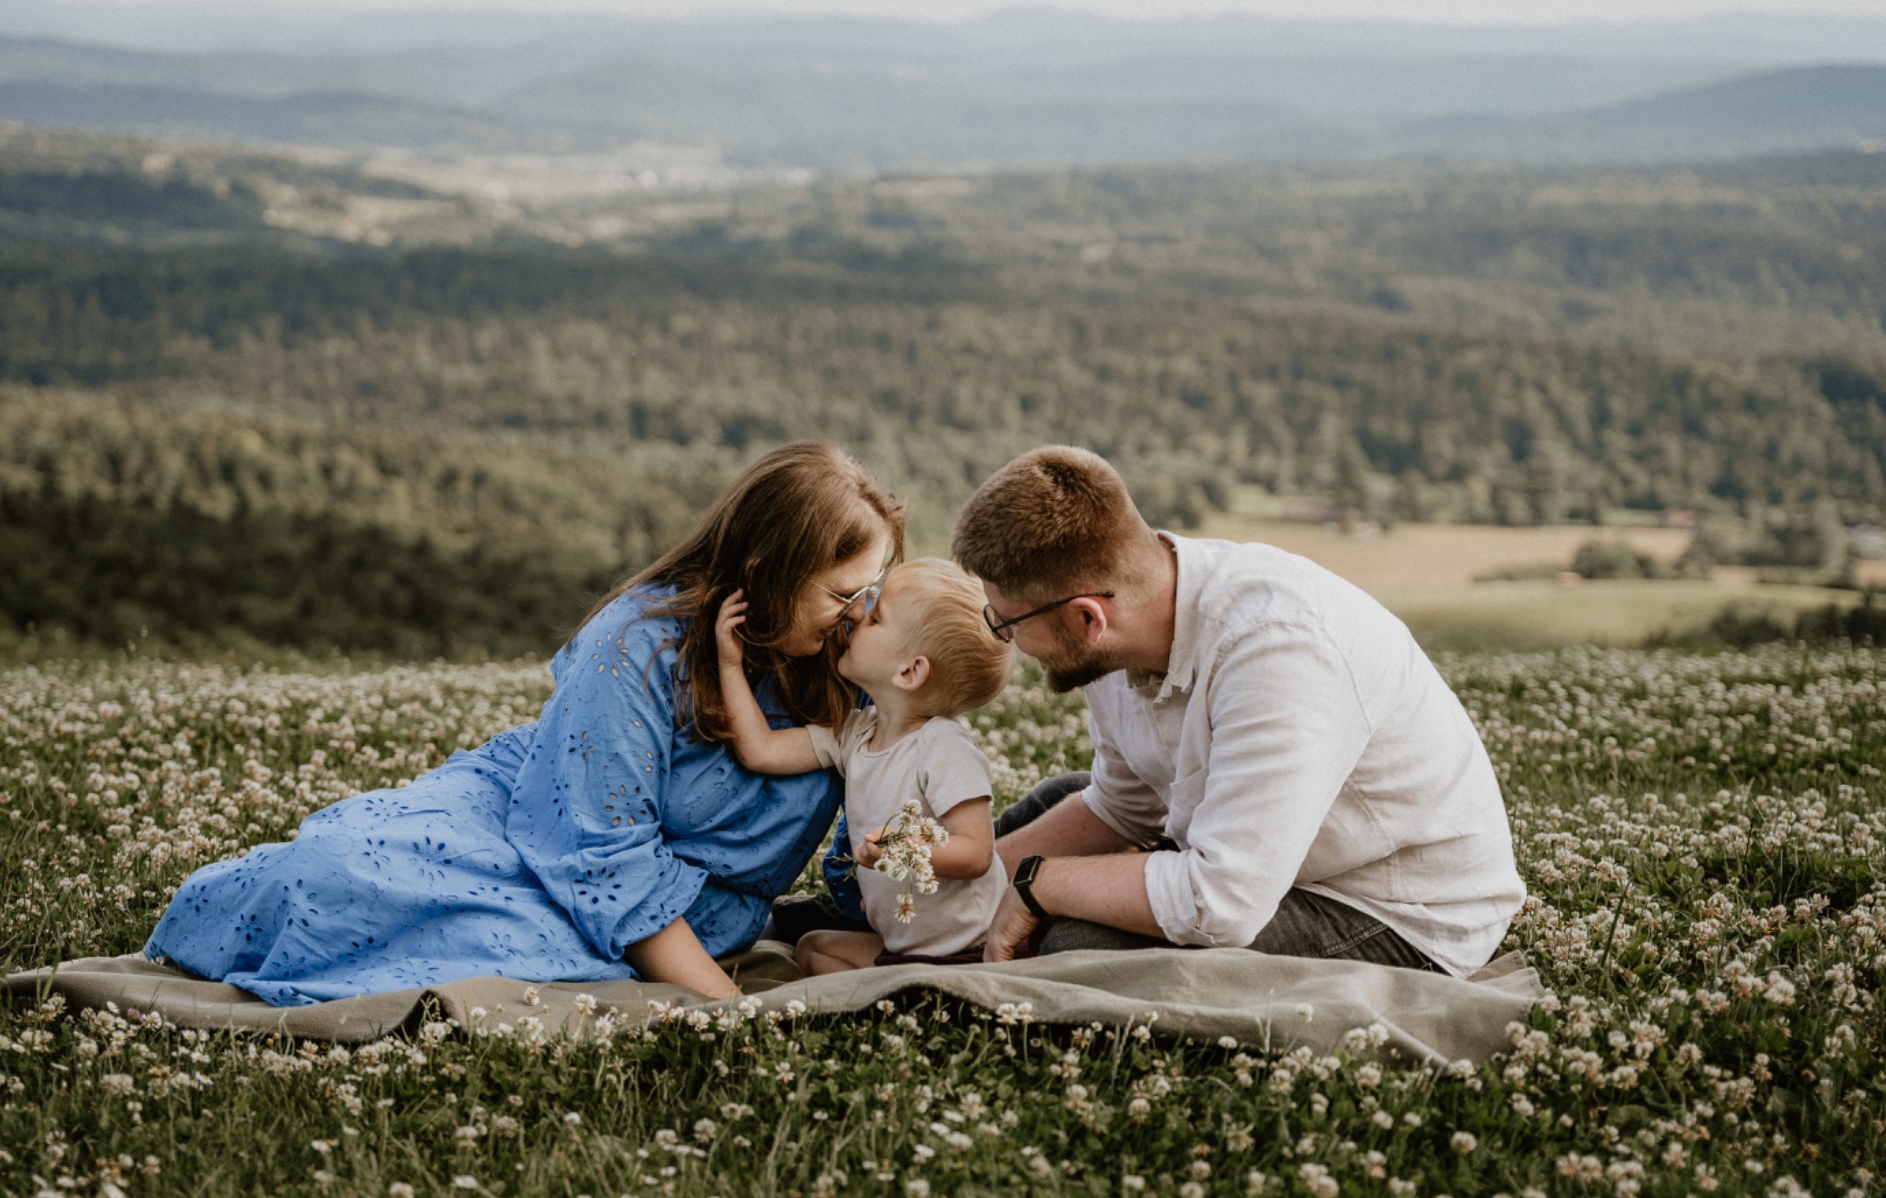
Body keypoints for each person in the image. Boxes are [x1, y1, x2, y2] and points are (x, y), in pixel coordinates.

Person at [142, 442, 904, 1004]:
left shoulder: (855, 661)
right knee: (334, 875)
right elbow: (603, 851)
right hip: (537, 823)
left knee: (457, 932)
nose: (859, 614)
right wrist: (729, 1006)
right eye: (843, 594)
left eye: (871, 591)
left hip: (677, 910)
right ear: (770, 570)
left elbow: (865, 835)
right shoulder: (637, 643)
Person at [950, 446, 1523, 977]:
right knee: (1054, 805)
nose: (1004, 638)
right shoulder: (1117, 636)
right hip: (1267, 862)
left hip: (1391, 910)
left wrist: (1038, 884)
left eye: (1006, 622)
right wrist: (964, 883)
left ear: (1086, 620)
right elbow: (1125, 808)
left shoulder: (1278, 648)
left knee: (1074, 945)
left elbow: (1221, 902)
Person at [715, 559, 1016, 975]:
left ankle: (898, 999)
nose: (856, 615)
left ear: (910, 671)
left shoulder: (943, 746)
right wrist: (729, 666)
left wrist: (903, 849)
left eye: (875, 618)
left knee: (817, 953)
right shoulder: (854, 734)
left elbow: (977, 852)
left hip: (969, 949)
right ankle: (894, 997)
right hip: (902, 948)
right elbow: (761, 749)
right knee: (812, 948)